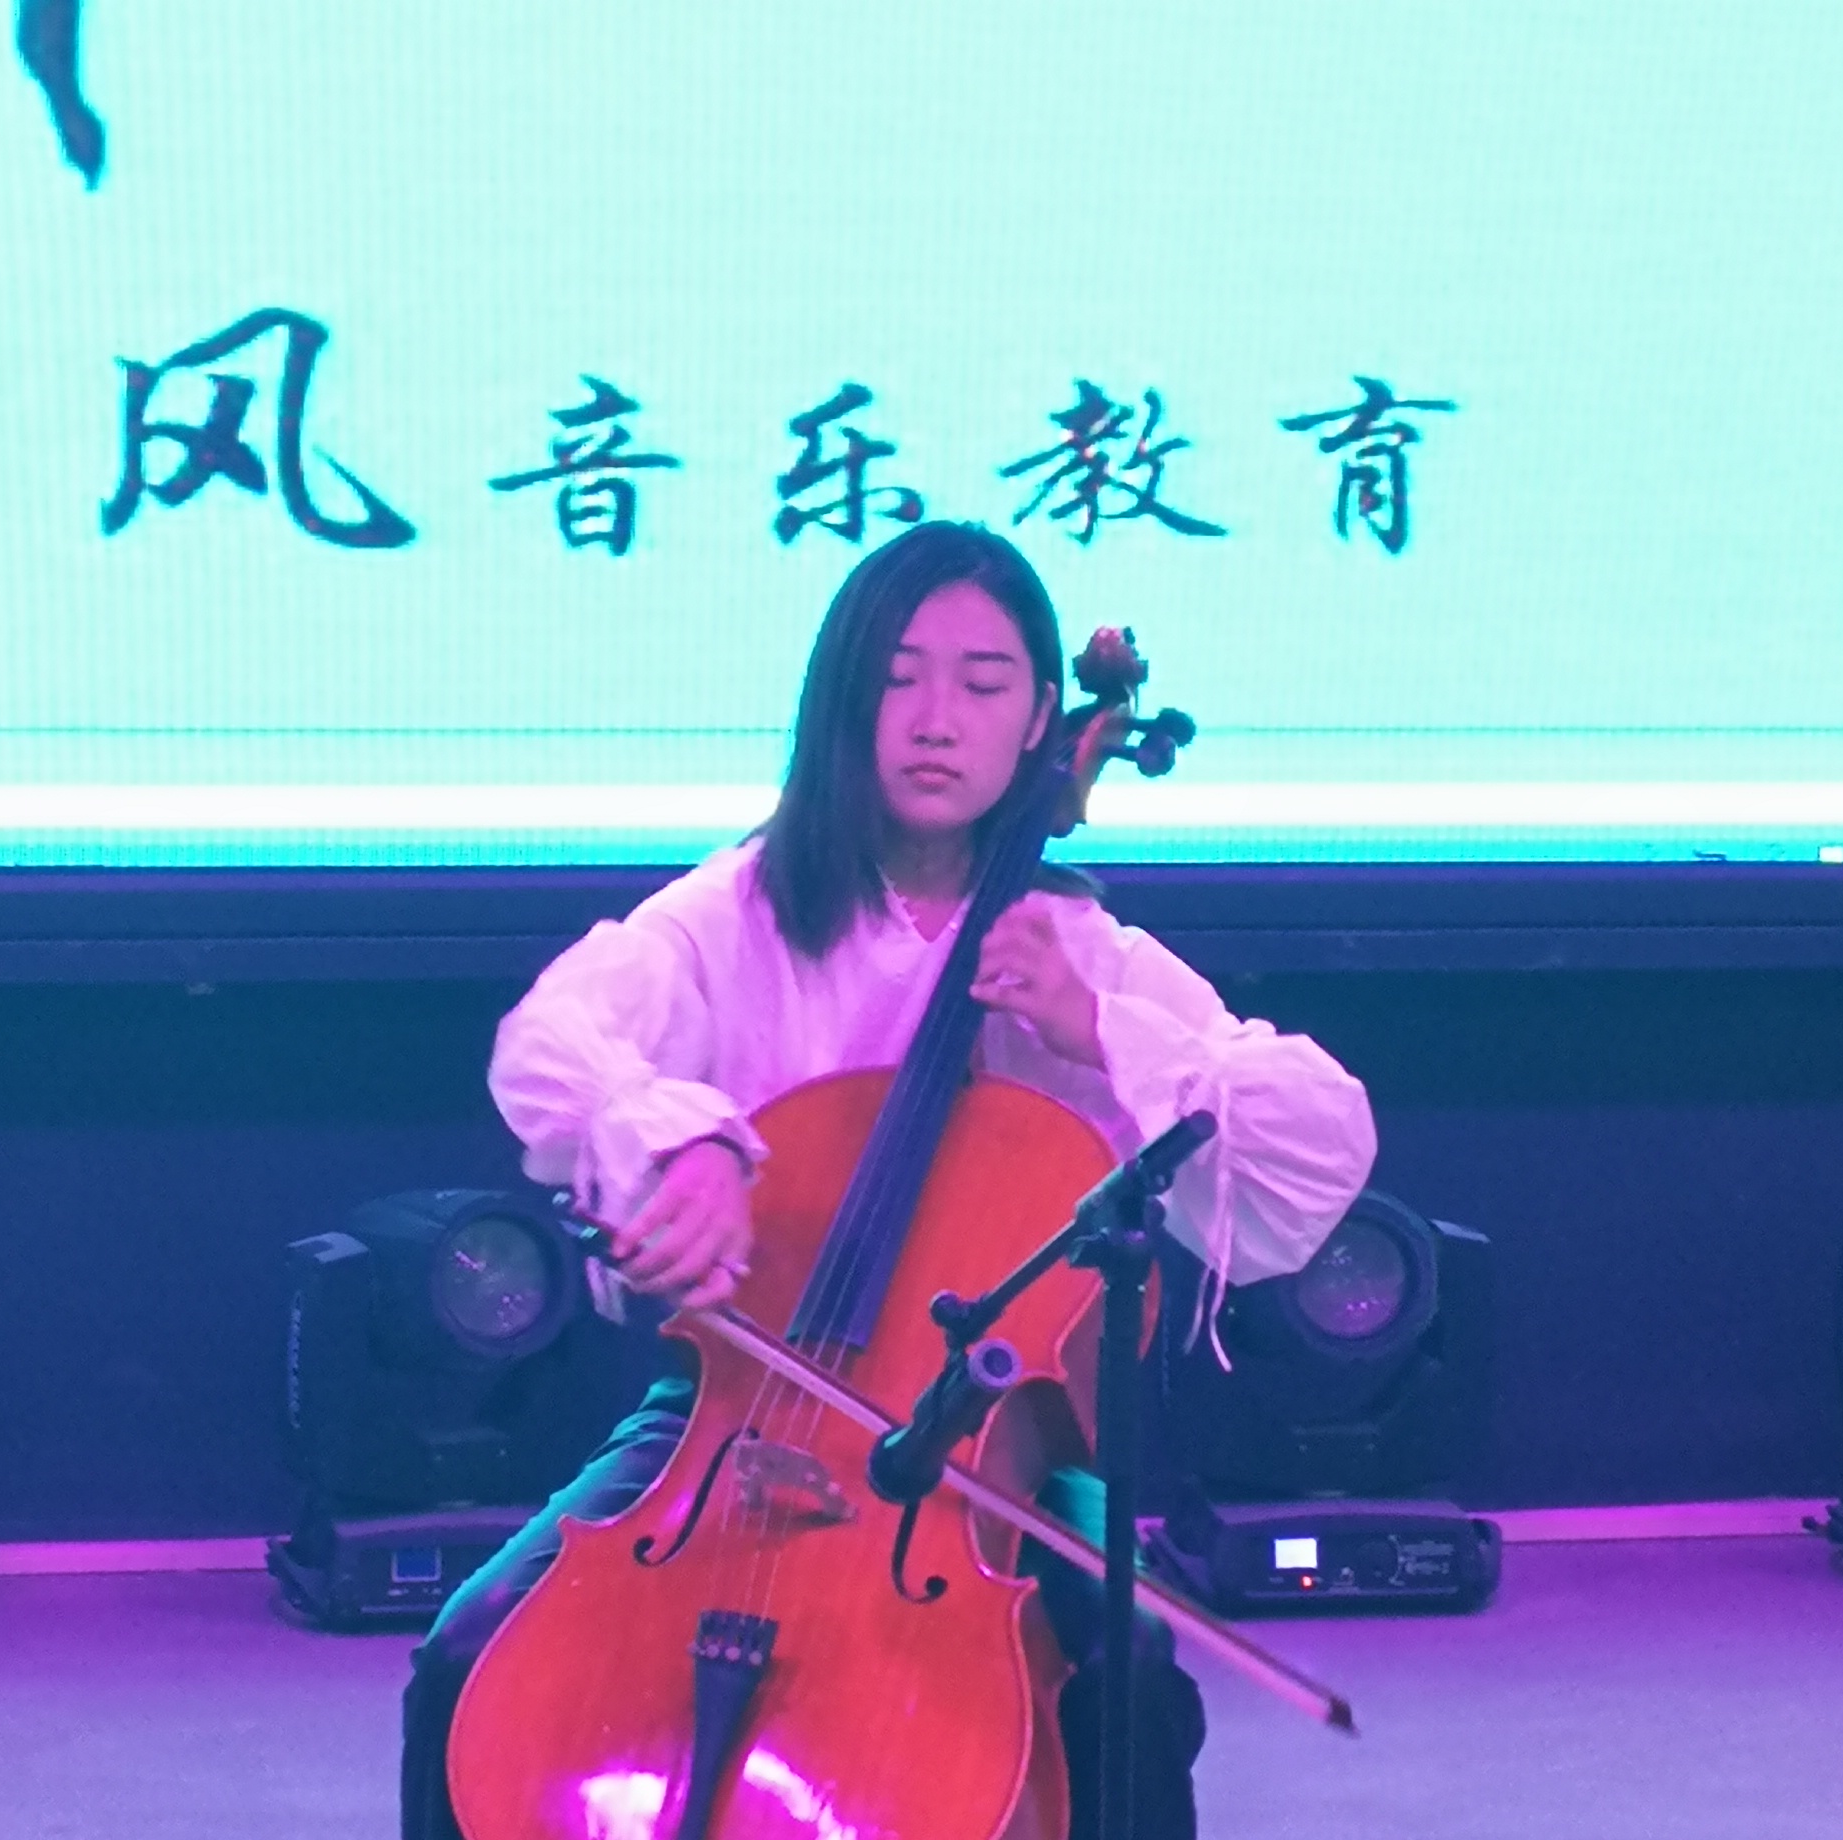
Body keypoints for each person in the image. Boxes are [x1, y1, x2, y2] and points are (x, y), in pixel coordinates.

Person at [402, 521, 1374, 1840]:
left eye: (983, 683)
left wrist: (1097, 1028)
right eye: (899, 678)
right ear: (842, 702)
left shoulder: (1080, 950)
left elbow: (1316, 1141)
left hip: (983, 1450)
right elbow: (552, 1042)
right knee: (466, 1655)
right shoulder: (742, 911)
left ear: (1042, 718)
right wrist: (679, 1140)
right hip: (736, 1414)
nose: (936, 719)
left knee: (1131, 1677)